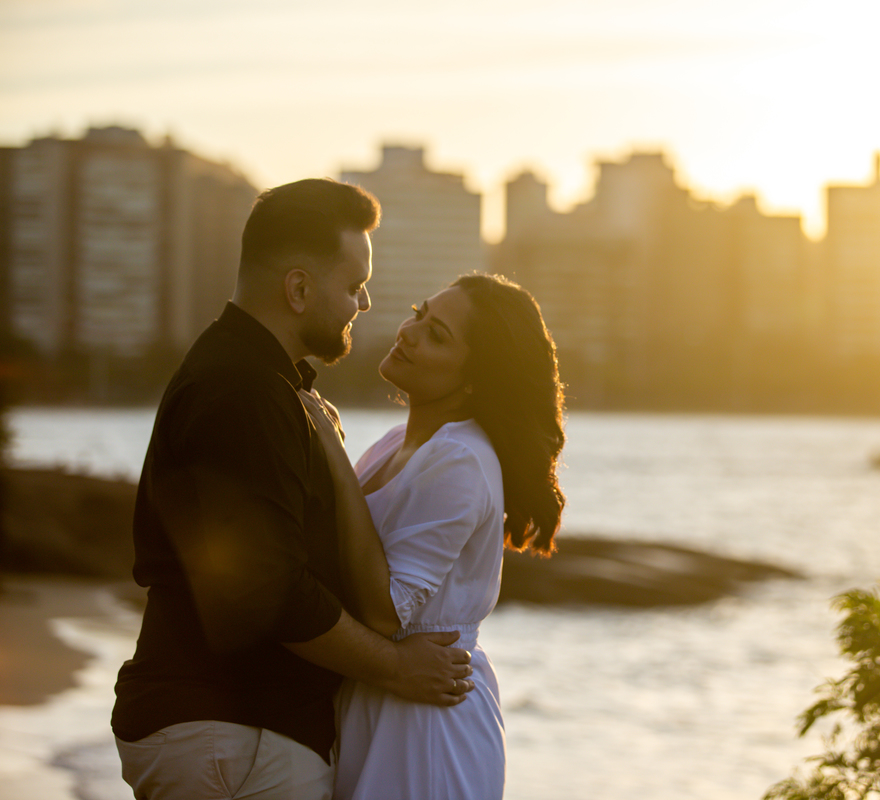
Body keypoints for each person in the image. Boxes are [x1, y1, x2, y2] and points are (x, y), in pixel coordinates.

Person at [111, 178, 475, 800]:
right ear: (299, 288)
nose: (364, 304)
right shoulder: (242, 391)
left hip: (231, 735)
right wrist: (396, 668)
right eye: (354, 285)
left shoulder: (263, 384)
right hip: (232, 736)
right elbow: (269, 590)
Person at [301, 273, 565, 800]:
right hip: (380, 700)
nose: (409, 331)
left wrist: (329, 451)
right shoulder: (395, 443)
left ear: (475, 379)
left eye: (437, 334)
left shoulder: (460, 459)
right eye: (420, 313)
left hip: (427, 723)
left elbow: (386, 612)